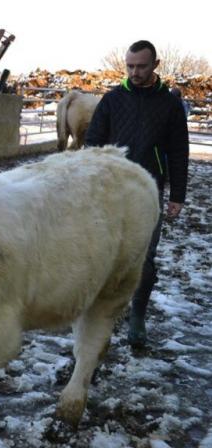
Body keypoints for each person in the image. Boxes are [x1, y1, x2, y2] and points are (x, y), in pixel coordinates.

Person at [85, 40, 189, 348]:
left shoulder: (169, 105)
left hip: (148, 191)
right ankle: (101, 314)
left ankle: (138, 316)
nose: (135, 72)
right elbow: (92, 142)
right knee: (104, 254)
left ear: (155, 65)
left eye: (141, 66)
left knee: (144, 257)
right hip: (111, 191)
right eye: (130, 66)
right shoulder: (112, 100)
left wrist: (177, 195)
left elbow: (179, 151)